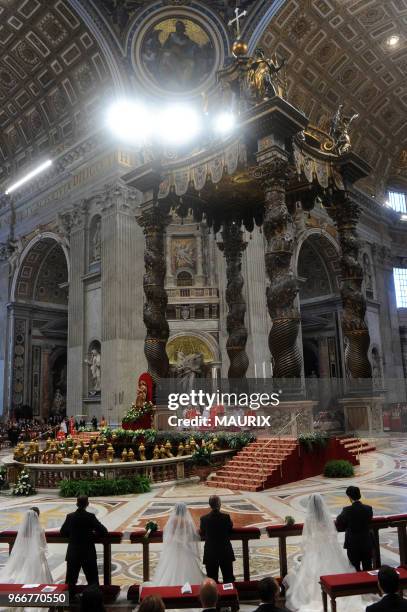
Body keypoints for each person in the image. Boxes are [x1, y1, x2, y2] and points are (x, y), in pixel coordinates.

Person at [284, 493, 368, 611]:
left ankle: (318, 598)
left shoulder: (310, 519)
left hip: (316, 549)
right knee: (338, 570)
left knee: (310, 573)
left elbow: (306, 538)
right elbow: (332, 534)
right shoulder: (326, 516)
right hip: (328, 548)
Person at [60, 495, 108, 596]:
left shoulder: (70, 516)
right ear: (87, 504)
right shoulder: (90, 517)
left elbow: (63, 532)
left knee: (70, 581)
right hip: (88, 552)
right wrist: (92, 535)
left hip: (73, 552)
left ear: (77, 504)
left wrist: (72, 535)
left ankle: (70, 603)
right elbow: (103, 531)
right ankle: (94, 603)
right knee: (93, 580)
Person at [151, 502, 204, 585]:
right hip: (185, 547)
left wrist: (176, 540)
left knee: (171, 567)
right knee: (186, 567)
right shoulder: (188, 521)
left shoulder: (173, 520)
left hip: (175, 547)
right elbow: (191, 535)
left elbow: (169, 534)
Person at [0, 508, 53, 583]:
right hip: (35, 554)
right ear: (37, 516)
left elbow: (20, 542)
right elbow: (43, 545)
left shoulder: (22, 530)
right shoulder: (39, 529)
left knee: (20, 571)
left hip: (22, 553)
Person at [336, 486, 373, 571]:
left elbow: (340, 522)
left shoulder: (347, 510)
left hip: (353, 544)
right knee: (368, 568)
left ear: (349, 497)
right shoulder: (368, 508)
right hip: (366, 542)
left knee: (355, 569)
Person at [200, 495, 235, 583]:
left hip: (210, 553)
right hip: (225, 552)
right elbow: (230, 529)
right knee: (228, 578)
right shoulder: (226, 517)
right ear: (219, 504)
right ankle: (228, 595)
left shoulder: (204, 519)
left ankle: (214, 596)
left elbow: (203, 530)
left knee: (212, 580)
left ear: (210, 505)